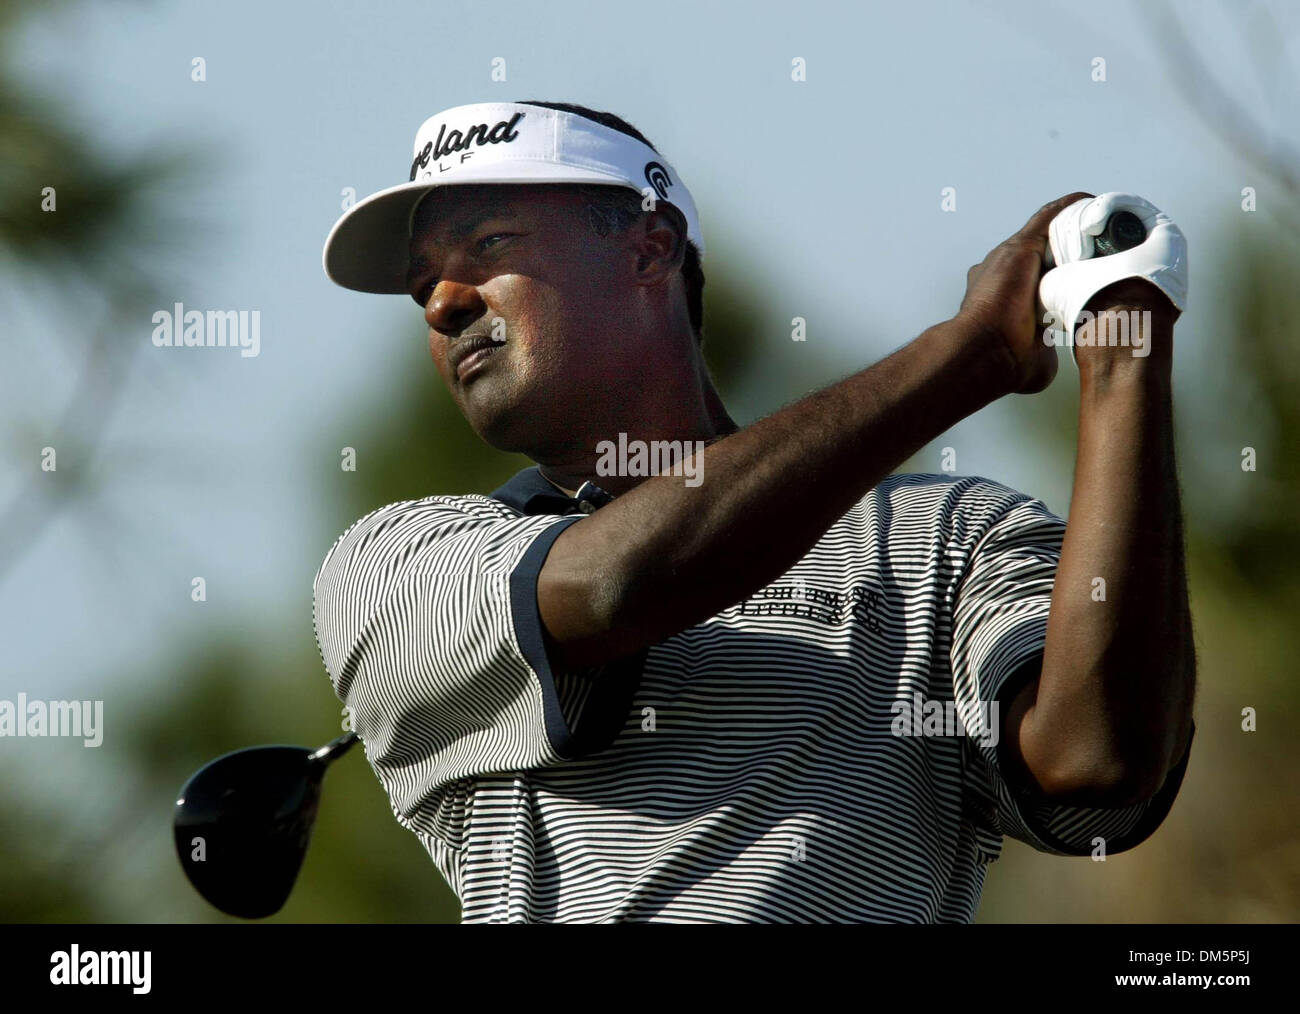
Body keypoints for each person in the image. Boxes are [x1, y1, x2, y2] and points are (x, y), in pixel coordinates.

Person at [313, 100, 1196, 923]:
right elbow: (615, 582)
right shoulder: (390, 564)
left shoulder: (952, 536)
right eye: (422, 282)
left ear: (649, 249)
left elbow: (1095, 767)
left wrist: (1123, 359)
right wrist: (968, 355)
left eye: (489, 242)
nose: (441, 302)